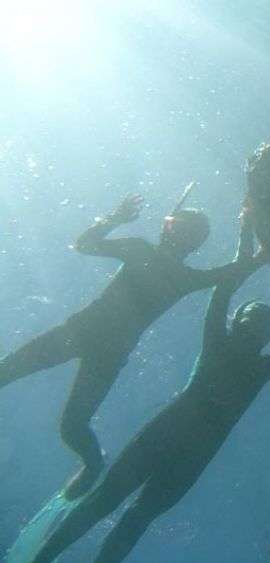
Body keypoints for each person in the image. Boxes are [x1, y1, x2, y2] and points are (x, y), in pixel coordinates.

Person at [32, 233, 270, 563]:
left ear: (266, 336)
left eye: (263, 323)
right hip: (180, 444)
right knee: (113, 505)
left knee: (128, 513)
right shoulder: (235, 352)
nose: (256, 325)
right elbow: (229, 294)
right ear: (240, 322)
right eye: (253, 317)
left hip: (182, 448)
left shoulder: (251, 362)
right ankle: (42, 558)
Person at [0, 193, 253, 499]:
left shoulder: (159, 261)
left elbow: (84, 244)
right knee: (67, 420)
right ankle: (93, 466)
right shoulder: (178, 272)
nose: (175, 234)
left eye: (182, 230)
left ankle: (94, 465)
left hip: (89, 338)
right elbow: (239, 268)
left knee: (60, 414)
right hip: (97, 343)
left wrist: (115, 218)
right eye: (177, 226)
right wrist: (248, 225)